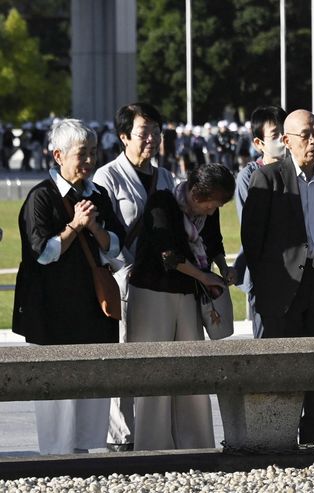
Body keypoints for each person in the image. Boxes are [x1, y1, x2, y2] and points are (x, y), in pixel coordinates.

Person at [12, 119, 125, 454]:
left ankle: (89, 454)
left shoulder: (98, 194)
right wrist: (75, 225)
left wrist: (94, 226)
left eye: (93, 152)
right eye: (82, 153)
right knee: (56, 395)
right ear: (58, 155)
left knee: (93, 385)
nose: (89, 160)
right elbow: (43, 255)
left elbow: (116, 246)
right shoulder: (41, 198)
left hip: (94, 309)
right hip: (52, 313)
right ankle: (58, 460)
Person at [241, 109, 314, 444]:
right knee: (283, 367)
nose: (313, 140)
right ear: (286, 141)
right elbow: (252, 241)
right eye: (305, 135)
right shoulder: (268, 179)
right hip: (282, 289)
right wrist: (266, 288)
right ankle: (277, 439)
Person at [126, 163, 235, 451]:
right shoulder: (162, 202)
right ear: (197, 194)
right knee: (153, 373)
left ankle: (197, 444)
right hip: (151, 293)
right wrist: (205, 276)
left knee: (193, 372)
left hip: (188, 295)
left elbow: (213, 242)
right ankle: (152, 447)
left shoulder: (209, 211)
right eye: (212, 204)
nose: (213, 211)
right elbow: (168, 255)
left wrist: (224, 269)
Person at [93, 102, 176, 452]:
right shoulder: (107, 177)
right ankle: (121, 437)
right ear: (124, 136)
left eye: (157, 131)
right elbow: (101, 235)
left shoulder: (167, 177)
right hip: (125, 283)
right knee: (125, 358)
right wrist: (123, 272)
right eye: (144, 132)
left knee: (161, 359)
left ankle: (157, 432)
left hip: (163, 283)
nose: (152, 139)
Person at [233, 105, 287, 338]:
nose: (283, 141)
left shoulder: (297, 171)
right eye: (275, 135)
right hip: (265, 275)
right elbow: (253, 228)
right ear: (258, 143)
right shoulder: (250, 176)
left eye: (286, 133)